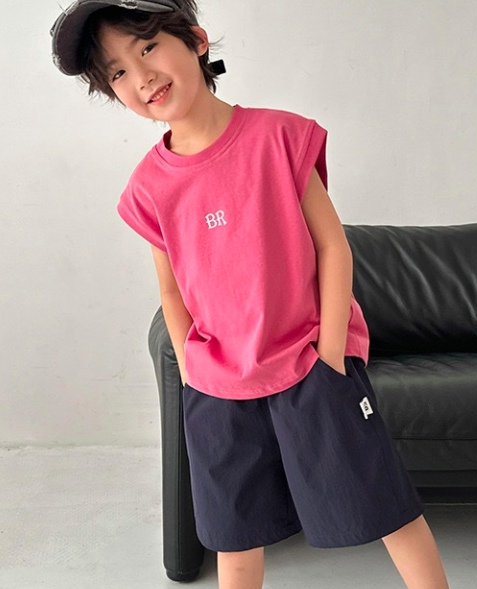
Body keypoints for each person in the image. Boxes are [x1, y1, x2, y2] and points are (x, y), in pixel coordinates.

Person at [50, 1, 450, 587]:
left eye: (147, 47)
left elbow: (333, 248)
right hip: (217, 386)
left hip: (310, 365)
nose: (141, 77)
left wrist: (331, 355)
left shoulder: (279, 137)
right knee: (235, 541)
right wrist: (193, 375)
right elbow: (172, 292)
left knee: (387, 510)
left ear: (196, 40)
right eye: (117, 72)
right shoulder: (147, 188)